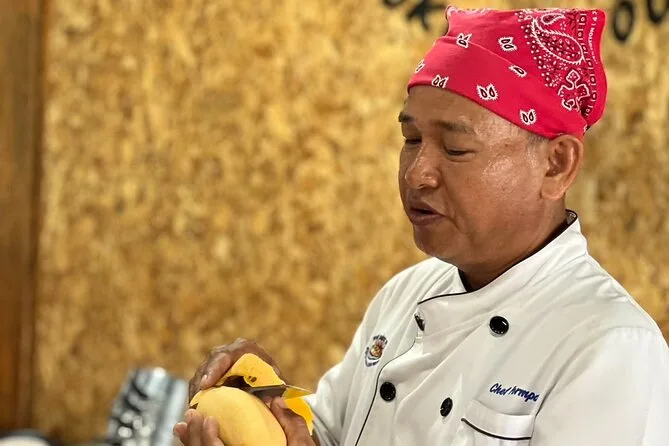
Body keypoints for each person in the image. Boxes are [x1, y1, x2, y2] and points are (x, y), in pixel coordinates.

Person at [174, 5, 669, 446]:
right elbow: (331, 433)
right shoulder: (406, 294)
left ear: (556, 165)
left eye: (455, 148)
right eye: (411, 140)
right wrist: (272, 413)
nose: (417, 174)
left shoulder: (609, 349)